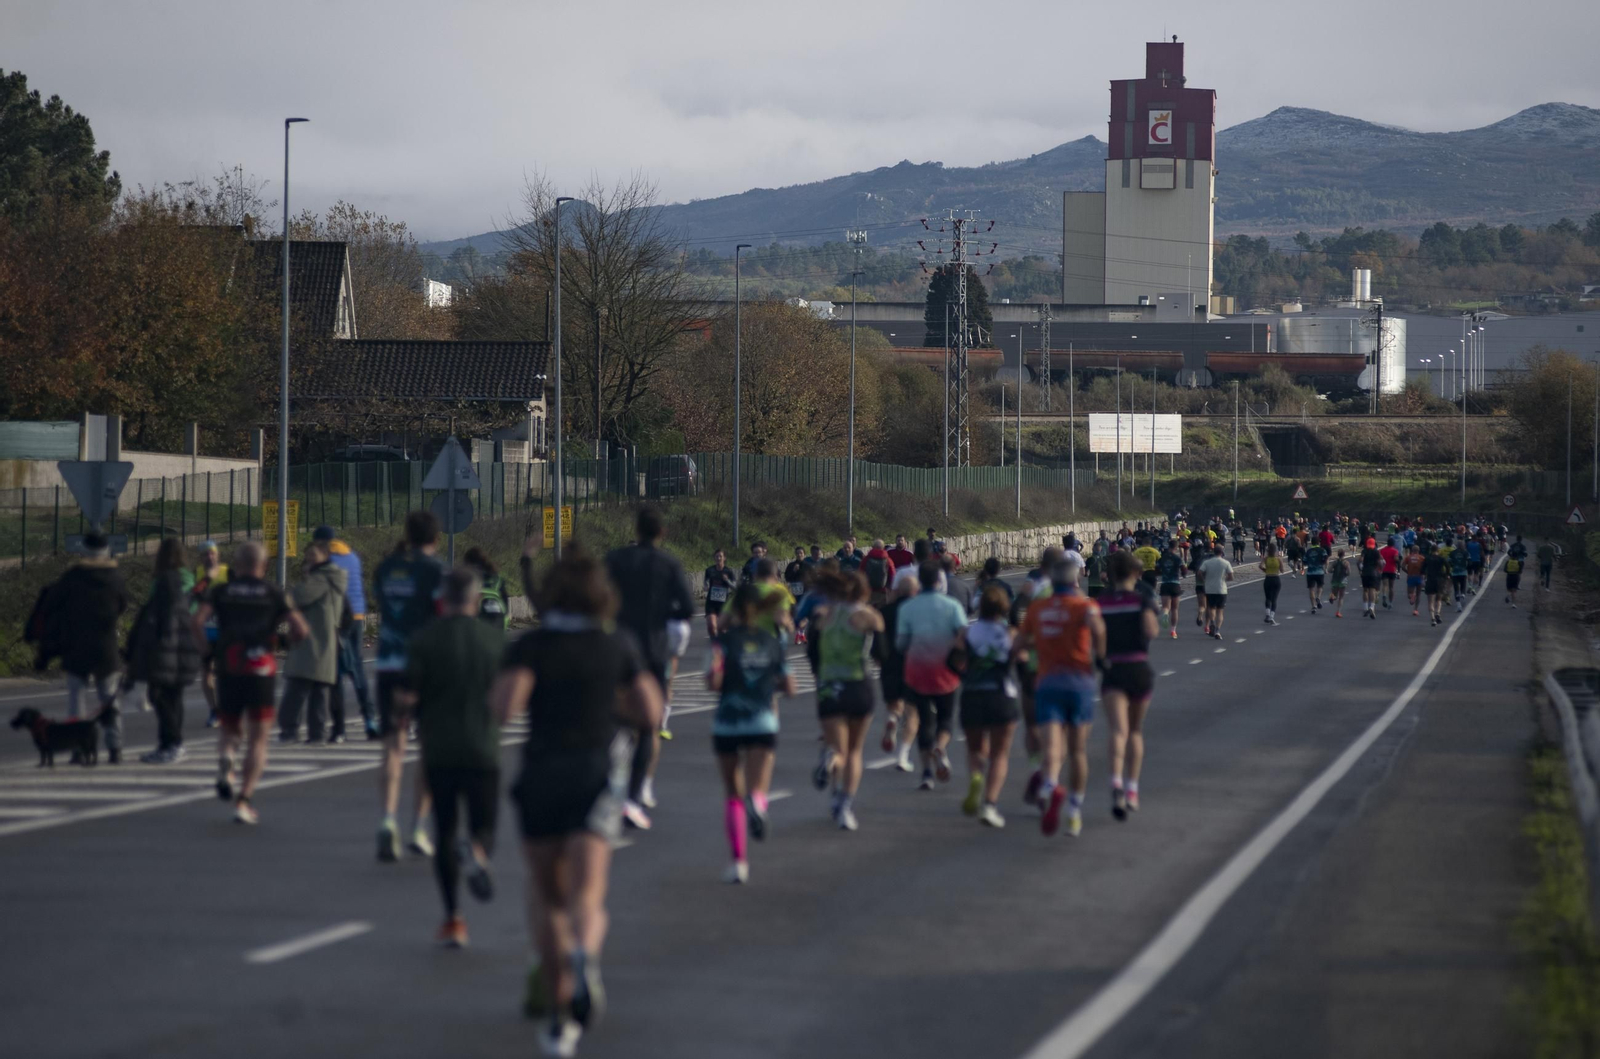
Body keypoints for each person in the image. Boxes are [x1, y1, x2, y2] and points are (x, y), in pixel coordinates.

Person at [490, 547, 663, 1056]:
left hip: (542, 778)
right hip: (595, 779)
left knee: (549, 902)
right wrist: (615, 703)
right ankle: (585, 958)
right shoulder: (617, 645)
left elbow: (504, 708)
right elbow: (650, 711)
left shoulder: (533, 646)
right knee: (588, 896)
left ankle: (559, 1019)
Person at [397, 568, 505, 949]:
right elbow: (507, 700)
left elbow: (407, 698)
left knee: (443, 830)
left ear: (443, 599)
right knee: (485, 830)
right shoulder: (494, 641)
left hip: (439, 751)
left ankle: (452, 919)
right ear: (476, 599)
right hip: (483, 749)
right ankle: (474, 851)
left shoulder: (425, 640)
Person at [193, 542, 308, 824]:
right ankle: (243, 800)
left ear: (236, 564)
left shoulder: (221, 590)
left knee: (230, 730)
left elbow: (196, 621)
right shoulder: (273, 593)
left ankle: (227, 760)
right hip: (260, 669)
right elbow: (301, 629)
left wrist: (207, 651)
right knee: (259, 738)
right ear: (264, 565)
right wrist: (282, 643)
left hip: (229, 666)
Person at [604, 506, 694, 828]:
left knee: (612, 715)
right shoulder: (668, 564)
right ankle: (633, 795)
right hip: (652, 652)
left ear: (636, 529)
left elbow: (598, 595)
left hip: (616, 647)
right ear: (662, 533)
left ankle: (607, 781)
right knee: (647, 723)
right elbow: (686, 607)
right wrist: (661, 615)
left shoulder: (614, 559)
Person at [709, 582, 797, 884]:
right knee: (756, 787)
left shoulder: (721, 643)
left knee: (732, 793)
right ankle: (757, 803)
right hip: (762, 721)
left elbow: (713, 682)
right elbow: (790, 687)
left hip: (727, 721)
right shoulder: (772, 641)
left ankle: (738, 862)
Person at [1015, 555, 1105, 837]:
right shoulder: (1084, 606)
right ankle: (1074, 811)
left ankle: (1051, 786)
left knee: (1052, 746)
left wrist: (1034, 642)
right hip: (1079, 681)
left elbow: (1019, 643)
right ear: (1076, 580)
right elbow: (1099, 629)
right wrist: (1100, 657)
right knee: (1077, 750)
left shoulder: (1038, 608)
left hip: (1047, 681)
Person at [373, 512, 445, 861]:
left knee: (393, 747)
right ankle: (418, 826)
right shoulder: (435, 572)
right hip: (424, 668)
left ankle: (388, 819)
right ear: (436, 536)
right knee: (428, 749)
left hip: (388, 664)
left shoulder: (386, 569)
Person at [44, 533, 131, 762]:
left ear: (84, 550)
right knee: (109, 700)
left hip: (76, 646)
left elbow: (52, 602)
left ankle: (77, 748)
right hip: (106, 647)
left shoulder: (73, 577)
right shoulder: (114, 577)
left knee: (76, 700)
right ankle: (115, 748)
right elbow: (123, 605)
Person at [811, 571, 884, 830]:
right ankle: (844, 805)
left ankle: (829, 759)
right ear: (864, 592)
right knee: (854, 750)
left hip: (830, 686)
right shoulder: (869, 617)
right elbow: (882, 654)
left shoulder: (822, 616)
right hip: (858, 686)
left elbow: (812, 654)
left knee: (837, 748)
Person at [126, 538, 203, 763]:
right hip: (187, 644)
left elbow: (157, 616)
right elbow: (193, 610)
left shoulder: (164, 582)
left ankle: (172, 743)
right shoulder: (189, 580)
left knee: (159, 695)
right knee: (174, 696)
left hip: (168, 646)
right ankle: (170, 744)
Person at [895, 560, 969, 791]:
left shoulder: (908, 607)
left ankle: (926, 772)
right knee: (946, 718)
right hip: (946, 672)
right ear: (939, 581)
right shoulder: (952, 606)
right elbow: (964, 636)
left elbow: (901, 644)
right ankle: (941, 746)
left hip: (917, 671)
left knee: (924, 722)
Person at [1098, 551, 1159, 819]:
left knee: (1117, 731)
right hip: (1137, 667)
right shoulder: (1141, 599)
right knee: (1135, 731)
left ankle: (1116, 784)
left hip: (1113, 668)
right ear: (1136, 574)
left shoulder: (1101, 602)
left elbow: (1094, 635)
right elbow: (1151, 631)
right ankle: (1132, 788)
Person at [956, 584, 1019, 828]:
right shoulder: (1009, 633)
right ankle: (990, 804)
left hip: (972, 694)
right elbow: (1019, 658)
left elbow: (955, 659)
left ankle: (975, 778)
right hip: (1001, 694)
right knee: (999, 754)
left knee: (975, 750)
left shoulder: (966, 633)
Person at [278, 541, 348, 744]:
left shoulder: (322, 578)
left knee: (298, 688)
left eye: (312, 555)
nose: (308, 560)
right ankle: (316, 733)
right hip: (323, 640)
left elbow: (298, 596)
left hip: (314, 641)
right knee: (319, 689)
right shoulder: (332, 575)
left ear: (325, 555)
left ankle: (290, 730)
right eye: (306, 556)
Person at [312, 526, 375, 737]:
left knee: (337, 673)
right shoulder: (352, 556)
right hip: (357, 617)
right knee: (357, 669)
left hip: (339, 619)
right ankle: (370, 721)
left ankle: (338, 729)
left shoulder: (328, 560)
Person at [877, 573, 919, 772]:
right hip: (914, 664)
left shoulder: (884, 612)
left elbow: (876, 643)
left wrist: (881, 661)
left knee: (895, 703)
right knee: (912, 711)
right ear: (914, 591)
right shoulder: (918, 611)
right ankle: (902, 756)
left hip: (890, 664)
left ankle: (893, 719)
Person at [192, 541, 229, 728]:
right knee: (206, 673)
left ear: (218, 554)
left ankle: (226, 709)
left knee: (225, 673)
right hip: (206, 631)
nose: (210, 557)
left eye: (212, 553)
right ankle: (214, 710)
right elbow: (192, 595)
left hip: (225, 630)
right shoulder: (197, 574)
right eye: (206, 554)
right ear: (201, 557)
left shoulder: (227, 572)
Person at [463, 546, 511, 630]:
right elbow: (505, 607)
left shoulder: (468, 578)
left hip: (477, 629)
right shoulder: (497, 579)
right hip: (498, 625)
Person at [1199, 545, 1234, 639]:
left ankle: (1212, 623)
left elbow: (1200, 572)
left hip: (1210, 588)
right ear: (1222, 552)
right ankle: (1217, 631)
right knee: (1220, 611)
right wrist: (1224, 579)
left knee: (1211, 608)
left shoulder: (1207, 562)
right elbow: (1231, 576)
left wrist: (1204, 580)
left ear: (1214, 552)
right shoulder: (1225, 563)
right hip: (1221, 589)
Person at [703, 549, 737, 637]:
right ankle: (714, 642)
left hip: (724, 602)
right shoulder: (709, 570)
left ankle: (722, 643)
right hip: (711, 602)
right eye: (717, 556)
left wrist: (727, 581)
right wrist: (705, 586)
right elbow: (706, 582)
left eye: (720, 556)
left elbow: (735, 587)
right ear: (714, 558)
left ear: (724, 558)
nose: (718, 558)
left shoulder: (728, 571)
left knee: (722, 630)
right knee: (711, 626)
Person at [1155, 540, 1183, 638]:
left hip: (1165, 583)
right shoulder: (1177, 558)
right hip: (1175, 583)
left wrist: (1162, 573)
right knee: (1175, 608)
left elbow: (1157, 569)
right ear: (1176, 547)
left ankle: (1165, 614)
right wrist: (1182, 574)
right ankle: (1173, 630)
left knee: (1166, 607)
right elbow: (1184, 569)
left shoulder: (1162, 558)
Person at [860, 539, 896, 608]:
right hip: (883, 592)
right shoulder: (888, 560)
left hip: (869, 591)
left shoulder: (866, 559)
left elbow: (860, 573)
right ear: (883, 547)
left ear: (873, 547)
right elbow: (892, 576)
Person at [1423, 543, 1449, 626]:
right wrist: (1446, 575)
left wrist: (1425, 575)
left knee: (1430, 601)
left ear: (1431, 550)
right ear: (1438, 550)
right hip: (1440, 579)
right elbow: (1447, 566)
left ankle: (1432, 618)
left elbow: (1422, 569)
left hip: (1430, 579)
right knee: (1439, 599)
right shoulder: (1441, 558)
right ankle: (1438, 613)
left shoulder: (1427, 558)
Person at [1260, 543, 1284, 625]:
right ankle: (1272, 616)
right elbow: (1282, 570)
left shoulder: (1266, 558)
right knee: (1274, 599)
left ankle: (1267, 614)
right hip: (1276, 578)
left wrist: (1265, 570)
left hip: (1268, 578)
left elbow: (1260, 566)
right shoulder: (1278, 559)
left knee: (1268, 597)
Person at [1359, 537, 1383, 619]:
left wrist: (1360, 569)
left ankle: (1365, 608)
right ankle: (1372, 607)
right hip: (1373, 572)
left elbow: (1360, 561)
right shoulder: (1376, 552)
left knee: (1365, 590)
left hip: (1365, 572)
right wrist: (1380, 569)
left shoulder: (1364, 551)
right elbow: (1380, 562)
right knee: (1372, 590)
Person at [1303, 537, 1327, 612]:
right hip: (1319, 571)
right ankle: (1318, 598)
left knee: (1311, 589)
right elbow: (1325, 558)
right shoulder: (1322, 550)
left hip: (1310, 572)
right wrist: (1322, 563)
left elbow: (1304, 561)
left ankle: (1313, 606)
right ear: (1318, 542)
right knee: (1320, 586)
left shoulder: (1308, 551)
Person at [1401, 544, 1425, 617]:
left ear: (1412, 550)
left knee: (1409, 594)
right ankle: (1415, 610)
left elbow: (1402, 566)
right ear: (1418, 551)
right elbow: (1425, 567)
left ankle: (1412, 595)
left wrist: (1407, 571)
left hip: (1411, 576)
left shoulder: (1408, 557)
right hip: (1419, 577)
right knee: (1419, 594)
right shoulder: (1422, 558)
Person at [1378, 536, 1401, 610]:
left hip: (1384, 569)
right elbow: (1396, 559)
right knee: (1391, 587)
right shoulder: (1395, 551)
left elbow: (1379, 559)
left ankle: (1384, 595)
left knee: (1384, 585)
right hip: (1392, 569)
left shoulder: (1382, 550)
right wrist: (1398, 566)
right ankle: (1390, 602)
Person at [1328, 548, 1350, 618]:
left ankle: (1332, 597)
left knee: (1335, 595)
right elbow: (1349, 572)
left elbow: (1329, 569)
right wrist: (1346, 573)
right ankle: (1338, 611)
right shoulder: (1346, 562)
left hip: (1335, 580)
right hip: (1343, 581)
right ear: (1344, 554)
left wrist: (1333, 571)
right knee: (1341, 597)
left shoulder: (1335, 562)